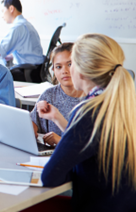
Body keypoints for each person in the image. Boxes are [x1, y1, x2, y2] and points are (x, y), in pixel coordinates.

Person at [42, 34, 136, 211]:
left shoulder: (88, 111)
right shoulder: (124, 104)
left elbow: (50, 177)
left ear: (82, 71)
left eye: (72, 64)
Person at [30, 43, 83, 146]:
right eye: (58, 67)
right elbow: (32, 124)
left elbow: (89, 149)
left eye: (70, 64)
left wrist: (60, 141)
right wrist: (30, 131)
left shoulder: (93, 99)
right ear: (53, 70)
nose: (64, 71)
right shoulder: (49, 95)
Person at [0, 0, 44, 82]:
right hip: (36, 69)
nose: (2, 16)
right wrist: (12, 55)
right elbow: (26, 49)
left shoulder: (17, 27)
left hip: (27, 72)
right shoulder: (25, 24)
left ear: (11, 9)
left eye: (3, 11)